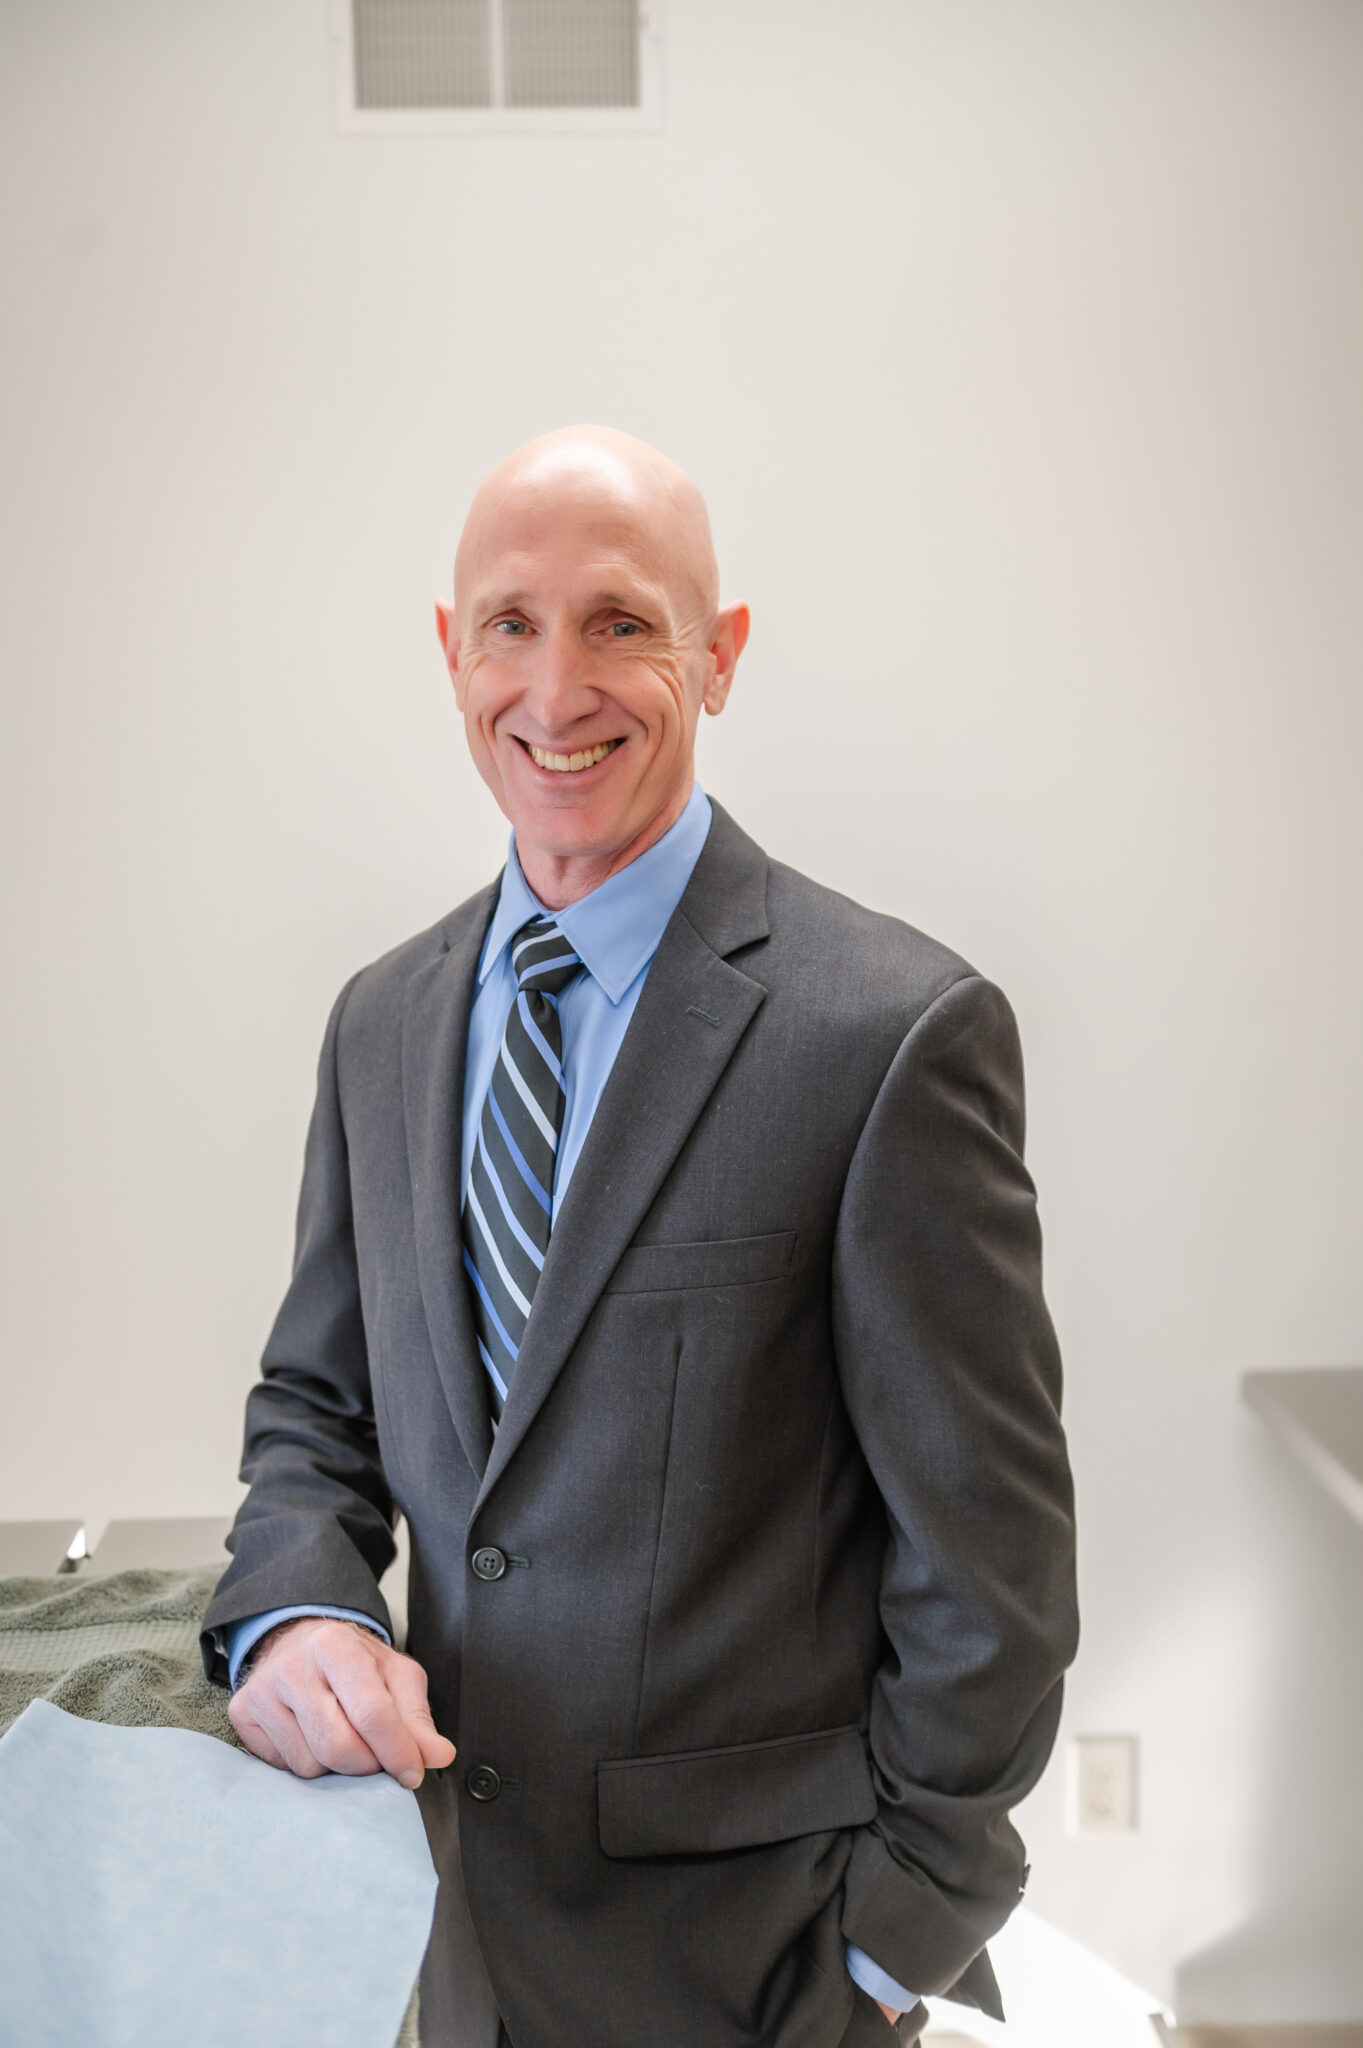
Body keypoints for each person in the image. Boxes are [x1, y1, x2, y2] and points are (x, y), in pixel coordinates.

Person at [201, 427, 1078, 2048]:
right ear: (449, 652)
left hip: (756, 1966)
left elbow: (992, 1565)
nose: (556, 688)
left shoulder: (891, 1033)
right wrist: (299, 1605)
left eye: (620, 623)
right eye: (510, 626)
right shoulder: (381, 1021)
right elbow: (317, 1416)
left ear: (720, 657)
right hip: (439, 1939)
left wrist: (891, 1948)